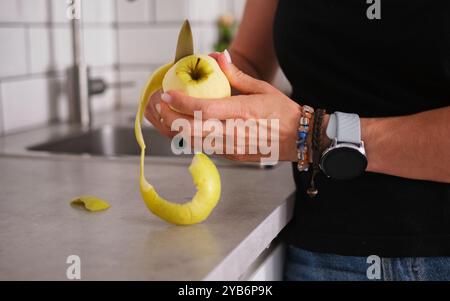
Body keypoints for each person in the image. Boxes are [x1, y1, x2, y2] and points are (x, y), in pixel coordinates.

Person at [145, 0, 450, 280]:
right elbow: (248, 60)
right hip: (317, 253)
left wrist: (310, 135)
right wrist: (208, 102)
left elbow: (299, 133)